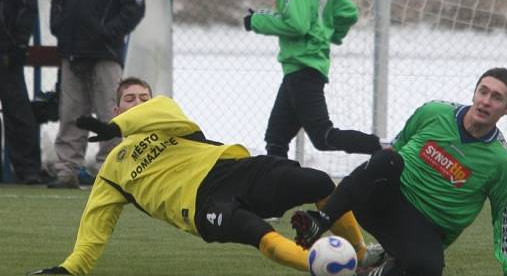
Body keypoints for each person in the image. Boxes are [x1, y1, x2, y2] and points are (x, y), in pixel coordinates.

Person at [28, 77, 384, 275]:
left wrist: (114, 126)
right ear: (116, 107)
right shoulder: (111, 172)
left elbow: (159, 108)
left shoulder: (167, 116)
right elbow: (94, 232)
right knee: (261, 234)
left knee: (319, 182)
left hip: (233, 169)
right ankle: (323, 268)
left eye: (143, 97)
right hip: (203, 205)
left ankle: (361, 254)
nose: (139, 103)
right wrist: (68, 270)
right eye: (129, 99)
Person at [292, 68, 507, 276]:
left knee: (428, 269)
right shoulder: (433, 112)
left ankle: (377, 269)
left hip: (426, 231)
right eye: (483, 91)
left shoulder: (501, 162)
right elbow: (395, 147)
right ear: (474, 93)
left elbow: (505, 217)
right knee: (388, 159)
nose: (486, 101)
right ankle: (319, 222)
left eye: (496, 98)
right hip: (383, 205)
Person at [244, 0, 381, 158]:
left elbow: (296, 25)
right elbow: (348, 11)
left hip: (302, 69)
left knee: (323, 137)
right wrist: (329, 34)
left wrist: (256, 20)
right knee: (276, 140)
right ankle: (281, 191)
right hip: (301, 68)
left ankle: (383, 147)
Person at [48, 0, 145, 188]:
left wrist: (108, 32)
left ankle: (109, 172)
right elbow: (57, 1)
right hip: (73, 54)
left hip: (106, 54)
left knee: (111, 115)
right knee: (71, 115)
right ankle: (67, 171)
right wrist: (59, 28)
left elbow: (135, 7)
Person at [0, 0, 42, 184]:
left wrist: (19, 44)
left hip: (5, 52)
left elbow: (28, 2)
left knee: (17, 111)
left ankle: (28, 170)